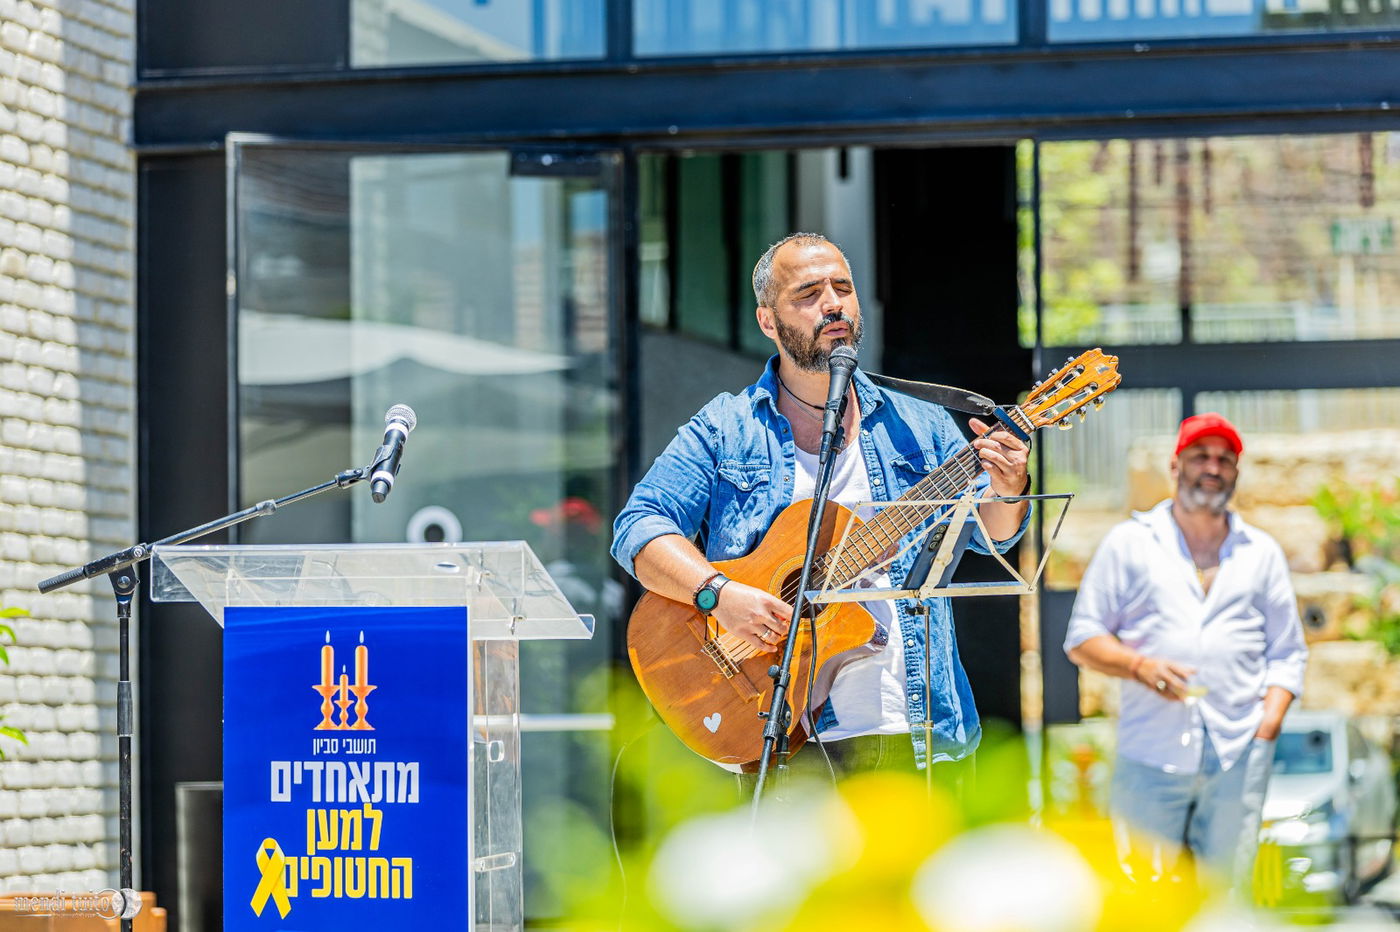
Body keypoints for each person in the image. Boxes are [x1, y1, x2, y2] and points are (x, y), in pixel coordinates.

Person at [610, 232, 1030, 775]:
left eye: (843, 287)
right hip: (785, 737)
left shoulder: (920, 424)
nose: (833, 303)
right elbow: (639, 528)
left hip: (920, 728)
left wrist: (1007, 484)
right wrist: (721, 595)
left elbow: (993, 534)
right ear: (768, 320)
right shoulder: (726, 428)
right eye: (809, 292)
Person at [1063, 413, 1307, 892]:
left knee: (1227, 896)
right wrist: (1139, 665)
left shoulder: (1262, 551)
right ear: (1176, 467)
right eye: (1200, 456)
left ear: (1235, 472)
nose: (1212, 467)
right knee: (1143, 896)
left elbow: (1288, 653)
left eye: (1224, 459)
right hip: (1151, 750)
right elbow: (1082, 639)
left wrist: (1267, 726)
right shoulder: (1129, 542)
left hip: (1239, 749)